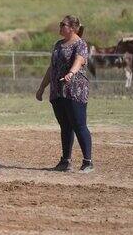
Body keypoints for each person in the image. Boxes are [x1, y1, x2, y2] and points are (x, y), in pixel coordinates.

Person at [36, 15, 94, 173]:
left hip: (75, 90)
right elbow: (52, 68)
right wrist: (42, 88)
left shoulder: (80, 44)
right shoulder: (58, 45)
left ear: (73, 28)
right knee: (65, 126)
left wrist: (71, 73)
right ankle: (65, 161)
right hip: (58, 91)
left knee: (79, 125)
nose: (60, 27)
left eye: (63, 24)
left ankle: (87, 162)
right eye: (60, 24)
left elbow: (79, 60)